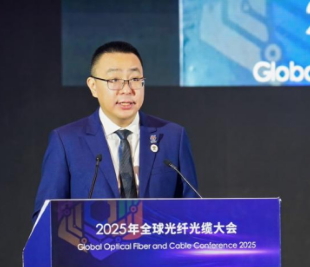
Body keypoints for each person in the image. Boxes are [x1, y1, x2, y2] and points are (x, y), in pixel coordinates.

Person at [33, 41, 198, 221]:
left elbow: (193, 210)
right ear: (93, 86)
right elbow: (46, 218)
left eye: (135, 80)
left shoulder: (173, 137)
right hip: (91, 239)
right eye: (114, 80)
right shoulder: (66, 141)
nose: (127, 90)